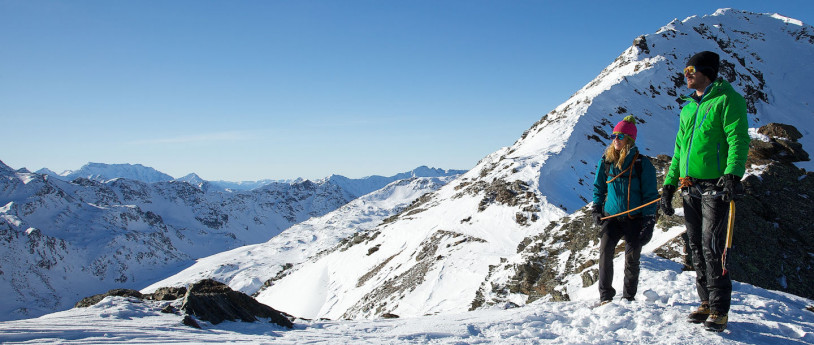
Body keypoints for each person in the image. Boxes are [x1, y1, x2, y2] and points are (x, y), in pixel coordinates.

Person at [660, 51, 749, 332]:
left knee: (713, 246)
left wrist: (733, 174)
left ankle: (720, 308)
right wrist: (669, 185)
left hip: (715, 186)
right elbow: (679, 151)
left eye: (690, 69)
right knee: (696, 246)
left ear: (706, 71)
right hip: (689, 186)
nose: (685, 75)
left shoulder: (726, 99)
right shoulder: (688, 107)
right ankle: (706, 302)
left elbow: (738, 138)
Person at [592, 115, 659, 305]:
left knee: (632, 259)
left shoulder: (641, 164)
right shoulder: (606, 162)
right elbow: (599, 187)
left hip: (634, 218)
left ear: (629, 140)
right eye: (614, 136)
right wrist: (597, 209)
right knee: (605, 254)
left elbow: (650, 195)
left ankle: (628, 297)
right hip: (611, 217)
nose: (615, 140)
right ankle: (605, 296)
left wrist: (648, 221)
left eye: (620, 136)